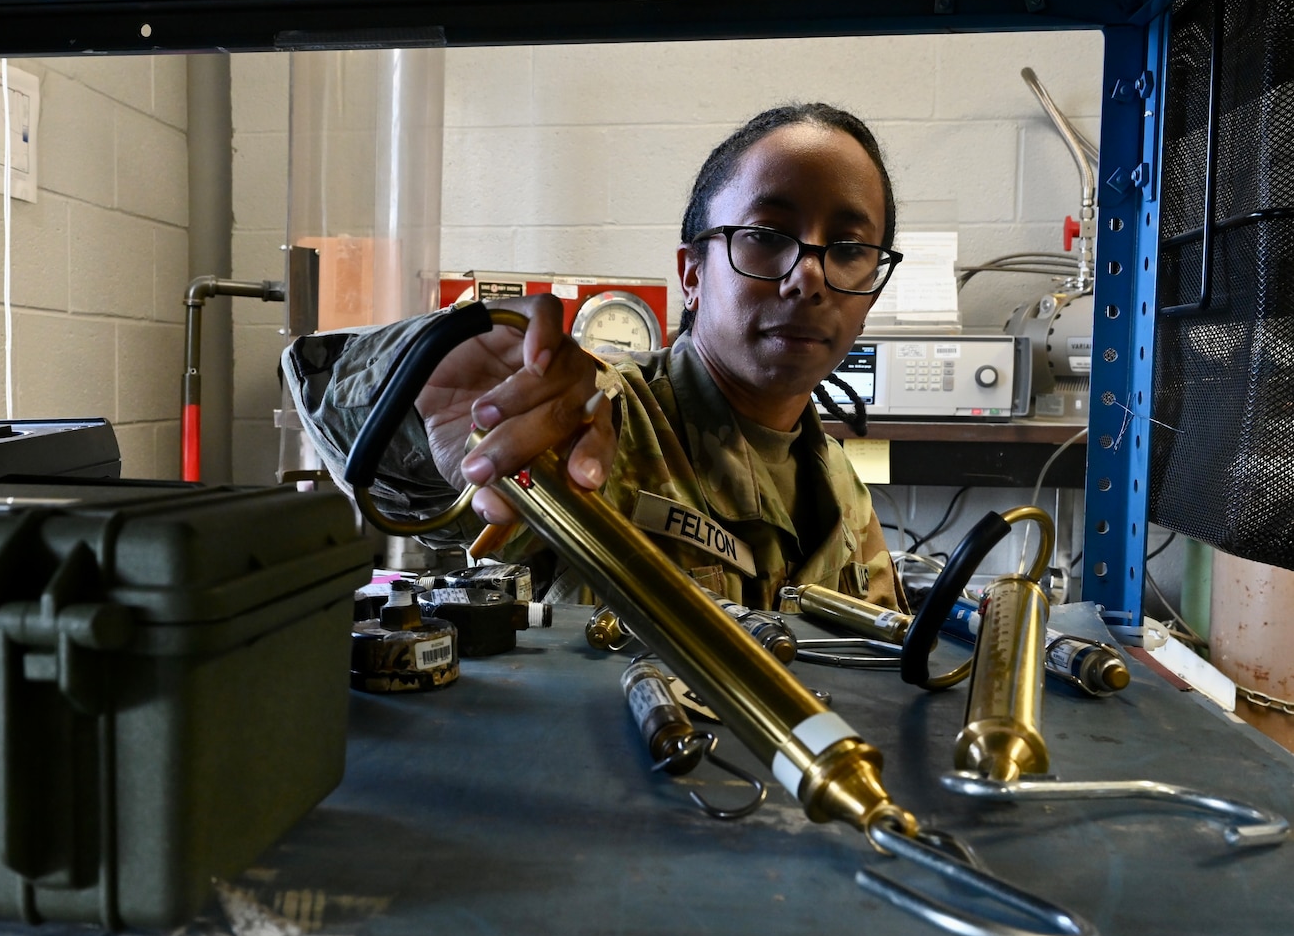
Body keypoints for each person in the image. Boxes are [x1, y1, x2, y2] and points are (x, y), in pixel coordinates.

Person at [284, 103, 907, 611]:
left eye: (851, 247)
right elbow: (364, 433)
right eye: (768, 236)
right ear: (691, 275)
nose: (811, 276)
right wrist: (420, 379)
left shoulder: (842, 493)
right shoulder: (591, 426)